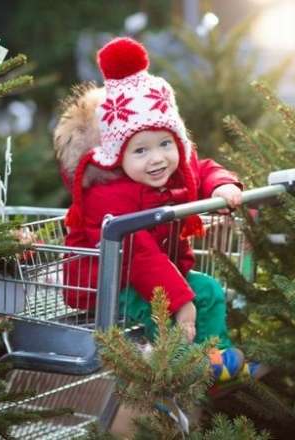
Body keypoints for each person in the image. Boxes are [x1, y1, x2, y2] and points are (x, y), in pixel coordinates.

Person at [52, 37, 261, 384]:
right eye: (141, 151)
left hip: (158, 276)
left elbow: (202, 168)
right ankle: (176, 372)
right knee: (164, 311)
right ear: (118, 155)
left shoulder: (172, 166)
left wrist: (223, 185)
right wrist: (179, 301)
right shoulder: (106, 194)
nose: (158, 158)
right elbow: (138, 256)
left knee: (207, 290)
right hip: (110, 283)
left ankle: (216, 358)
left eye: (166, 144)